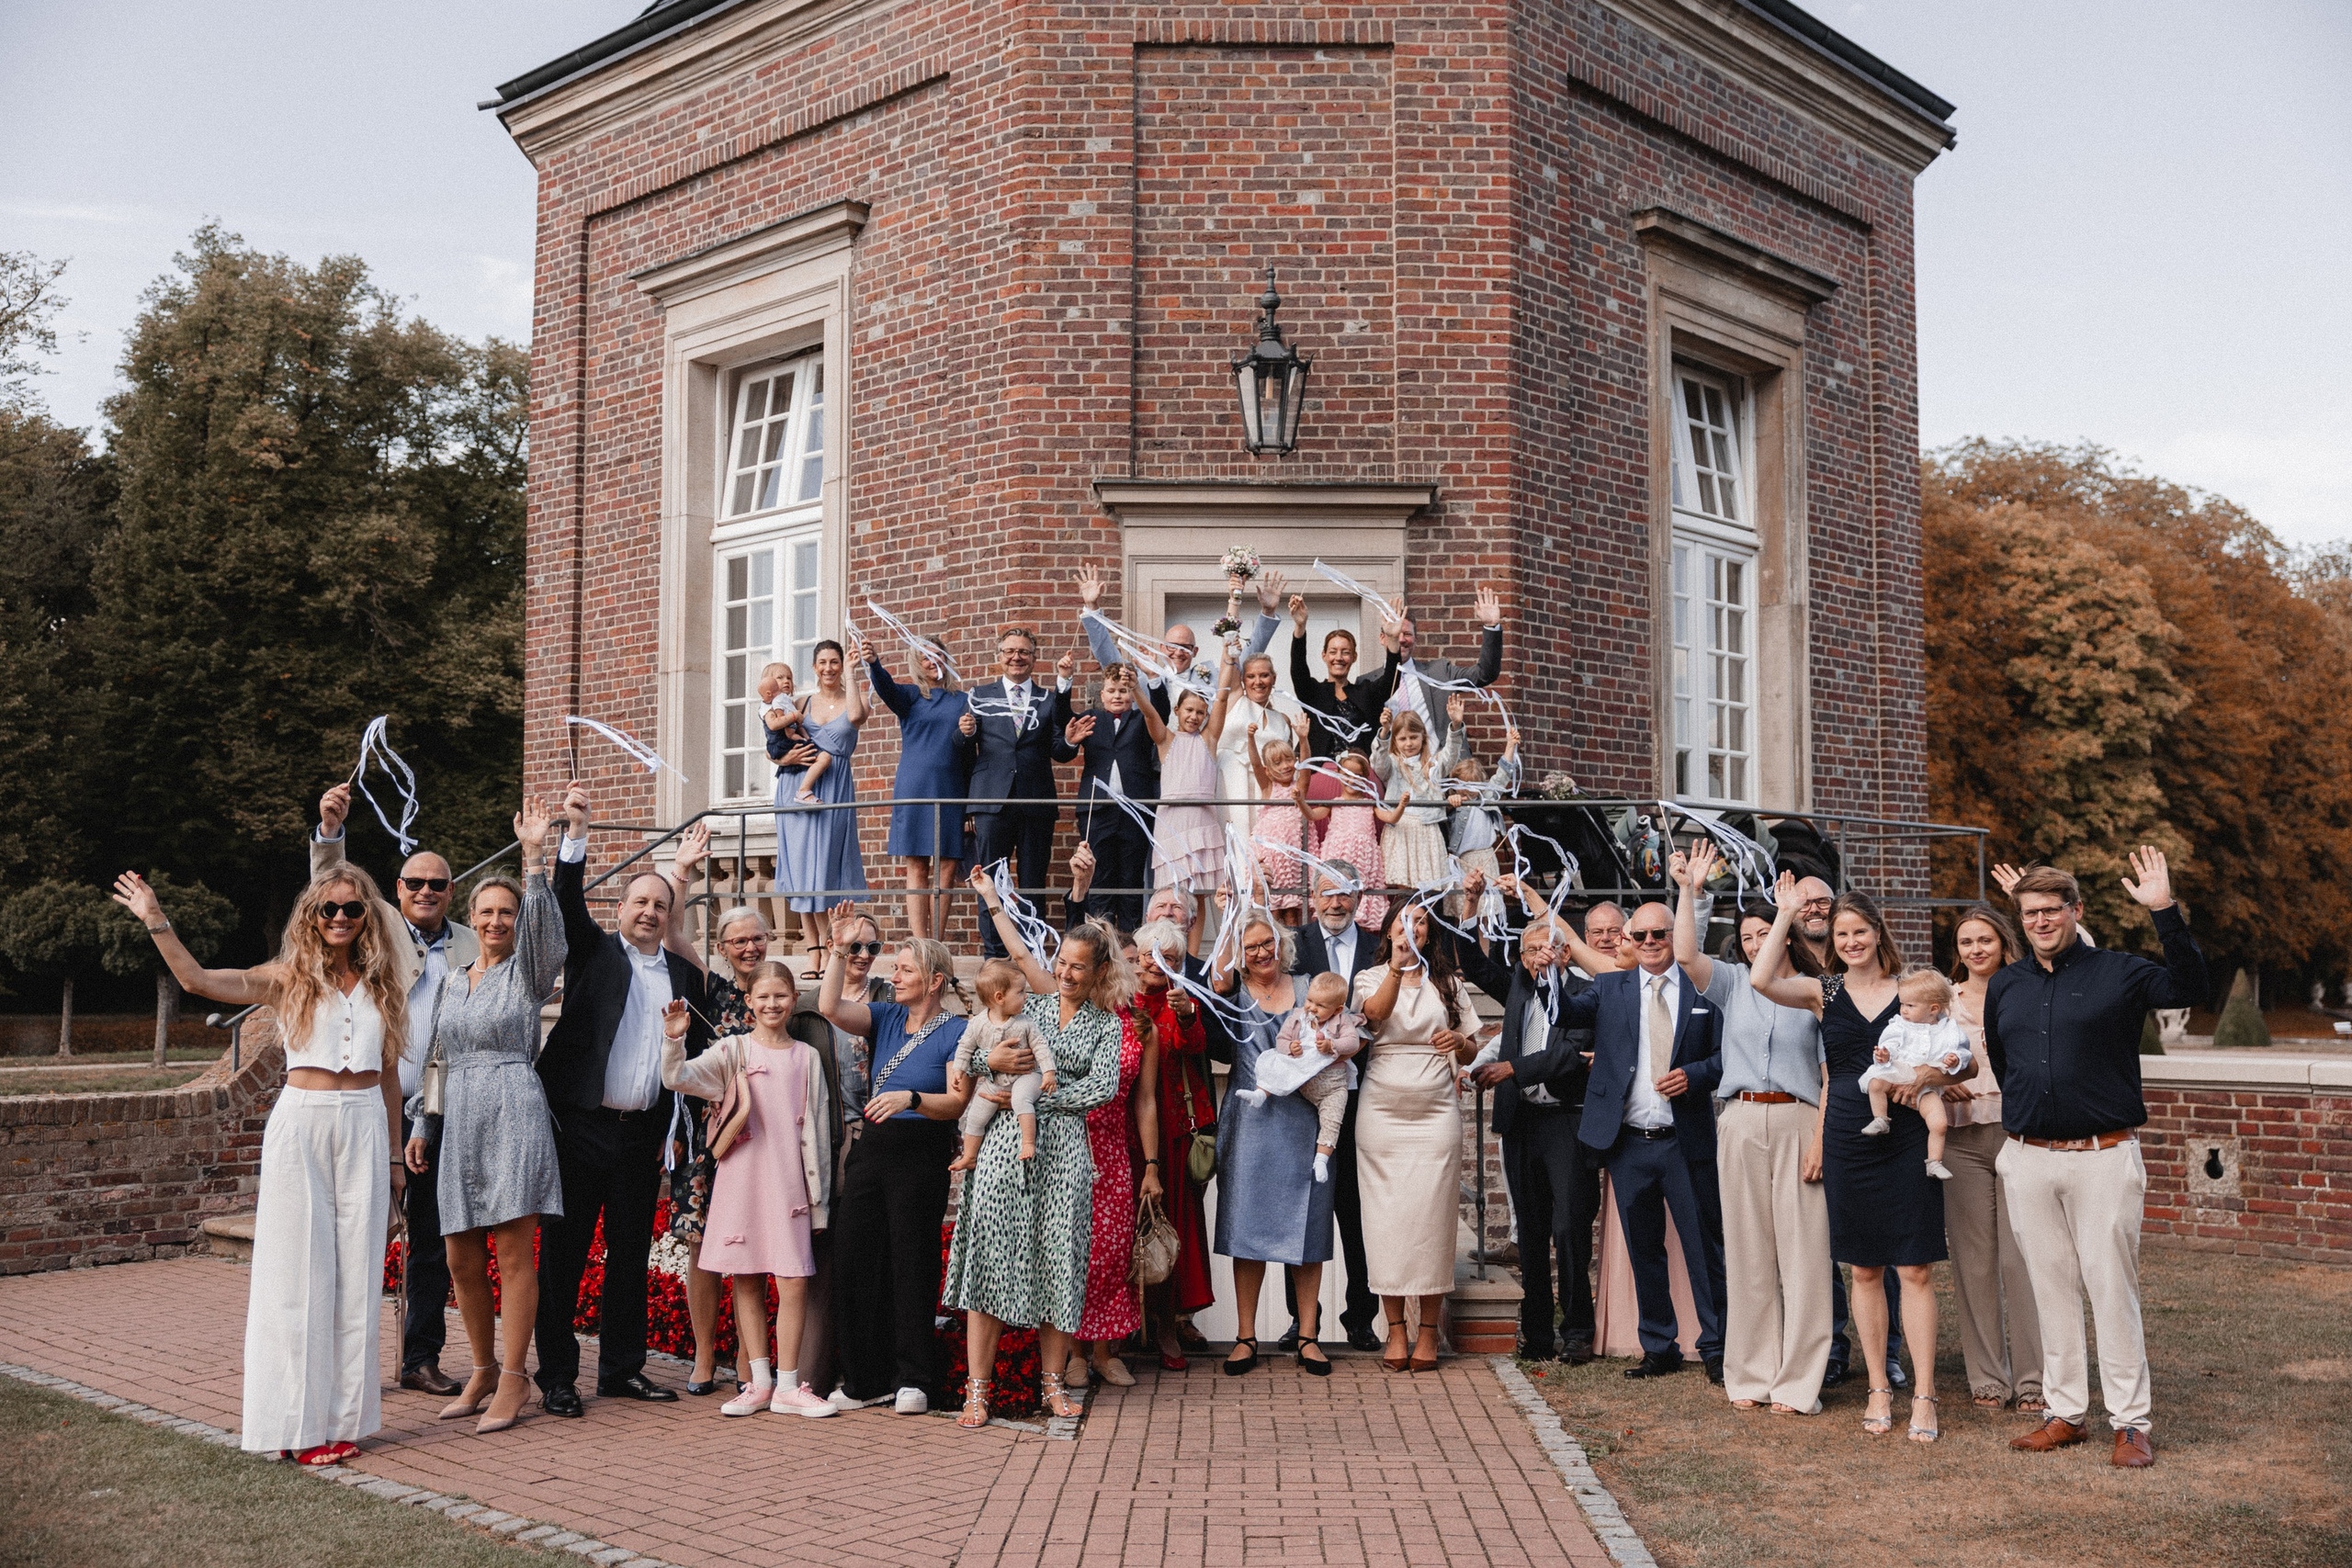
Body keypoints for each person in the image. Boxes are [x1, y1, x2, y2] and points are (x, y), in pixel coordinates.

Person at [112, 863, 410, 1466]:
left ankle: (343, 1418)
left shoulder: (381, 984)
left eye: (353, 909)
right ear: (312, 916)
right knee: (298, 1275)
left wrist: (397, 1159)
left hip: (365, 1128)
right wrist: (156, 920)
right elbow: (196, 980)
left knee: (356, 1281)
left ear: (367, 917)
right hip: (303, 1125)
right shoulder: (287, 978)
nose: (341, 918)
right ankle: (296, 1425)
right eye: (329, 909)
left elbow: (392, 1079)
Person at [1990, 852, 2203, 1469]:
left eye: (2051, 910)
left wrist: (2164, 909)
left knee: (2111, 1287)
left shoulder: (2121, 972)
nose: (2040, 921)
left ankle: (2131, 1422)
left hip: (2103, 1155)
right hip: (2029, 1158)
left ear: (2075, 911)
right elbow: (2008, 1065)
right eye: (2030, 912)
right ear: (2022, 919)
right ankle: (2065, 1414)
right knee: (2049, 1285)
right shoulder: (2008, 984)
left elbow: (2189, 987)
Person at [1490, 898, 1726, 1383]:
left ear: (1674, 937)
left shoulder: (1705, 985)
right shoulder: (1611, 986)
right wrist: (1551, 974)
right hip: (1629, 1143)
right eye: (1639, 937)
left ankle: (1718, 1348)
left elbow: (1728, 1053)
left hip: (1684, 1139)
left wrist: (1698, 1074)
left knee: (1703, 1248)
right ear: (1628, 942)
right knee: (1645, 1250)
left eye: (1659, 935)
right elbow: (1562, 1013)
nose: (1649, 944)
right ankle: (1658, 1346)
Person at [533, 784, 708, 1417]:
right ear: (622, 908)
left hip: (642, 1134)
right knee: (564, 1255)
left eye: (660, 905)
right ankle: (555, 1375)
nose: (650, 912)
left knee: (630, 1254)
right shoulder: (593, 952)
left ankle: (621, 1369)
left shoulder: (683, 976)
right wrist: (574, 832)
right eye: (640, 901)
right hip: (580, 1126)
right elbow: (564, 902)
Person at [1751, 874, 1942, 1440]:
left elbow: (1961, 1053)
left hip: (1906, 1136)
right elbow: (1761, 978)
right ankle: (1879, 1389)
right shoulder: (1823, 991)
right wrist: (1785, 914)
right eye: (1841, 934)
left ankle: (1925, 1397)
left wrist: (1934, 1074)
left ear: (1878, 932)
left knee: (1915, 1268)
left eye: (1861, 931)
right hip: (1846, 1138)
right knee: (1863, 1268)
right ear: (1831, 941)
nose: (1852, 941)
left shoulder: (1912, 987)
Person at [400, 800, 568, 1436]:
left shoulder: (527, 973)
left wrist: (532, 861)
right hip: (457, 1115)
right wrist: (422, 1122)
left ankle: (518, 1376)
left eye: (506, 912)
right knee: (459, 1252)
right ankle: (482, 1366)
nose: (496, 920)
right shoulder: (450, 980)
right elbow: (437, 1056)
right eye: (486, 911)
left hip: (513, 1106)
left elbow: (549, 940)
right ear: (470, 919)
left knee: (512, 1248)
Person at [310, 781, 481, 1400]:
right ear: (399, 890)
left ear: (451, 890)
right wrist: (331, 833)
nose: (426, 891)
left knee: (431, 1244)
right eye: (415, 883)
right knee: (350, 1235)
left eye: (438, 884)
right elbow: (329, 891)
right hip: (362, 1104)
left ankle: (420, 1357)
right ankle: (335, 1360)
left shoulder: (470, 941)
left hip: (434, 1107)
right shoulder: (371, 925)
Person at [952, 882, 1134, 1422]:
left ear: (1099, 971)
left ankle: (1053, 1388)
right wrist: (994, 1070)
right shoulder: (1026, 1006)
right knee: (990, 1261)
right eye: (1062, 962)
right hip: (1005, 1148)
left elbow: (1102, 1088)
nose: (1066, 973)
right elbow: (978, 1055)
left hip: (1066, 1157)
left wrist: (1038, 1099)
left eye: (1079, 966)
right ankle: (976, 1393)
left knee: (1059, 1267)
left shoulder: (1108, 1025)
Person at [1668, 842, 1830, 1415]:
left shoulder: (1820, 990)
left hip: (1798, 1120)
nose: (1755, 943)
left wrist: (1819, 1140)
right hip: (1737, 1121)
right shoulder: (1733, 983)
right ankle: (1751, 1374)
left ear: (1785, 932)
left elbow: (1834, 1072)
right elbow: (1685, 954)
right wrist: (1689, 889)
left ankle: (1799, 1382)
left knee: (1805, 1256)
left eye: (1766, 932)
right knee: (1748, 1252)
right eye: (1749, 937)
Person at [659, 963, 837, 1417]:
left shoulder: (806, 1057)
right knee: (748, 1278)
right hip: (741, 1180)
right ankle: (759, 1382)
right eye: (764, 997)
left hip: (790, 1181)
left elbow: (816, 1129)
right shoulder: (732, 1050)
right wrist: (674, 1039)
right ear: (750, 1002)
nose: (773, 1004)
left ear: (793, 1000)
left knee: (794, 1280)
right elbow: (677, 1079)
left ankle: (789, 1385)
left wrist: (818, 1203)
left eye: (781, 996)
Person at [818, 936, 973, 1415]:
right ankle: (865, 1379)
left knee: (912, 1260)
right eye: (898, 968)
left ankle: (914, 1379)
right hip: (873, 1147)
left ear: (934, 981)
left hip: (920, 1148)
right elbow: (829, 1006)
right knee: (855, 1257)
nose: (896, 976)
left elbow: (958, 1100)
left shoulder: (957, 1029)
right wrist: (840, 951)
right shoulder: (885, 1017)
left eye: (906, 970)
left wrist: (912, 1100)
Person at [1461, 903, 1603, 1366]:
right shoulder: (1519, 988)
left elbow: (1567, 1055)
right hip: (1522, 1123)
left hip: (1565, 1121)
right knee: (1534, 1231)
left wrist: (1511, 1068)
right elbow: (1475, 963)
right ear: (1522, 958)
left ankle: (1578, 1329)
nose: (1541, 956)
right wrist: (1469, 909)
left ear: (1566, 953)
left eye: (1550, 948)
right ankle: (1538, 1333)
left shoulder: (1586, 993)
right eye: (1532, 950)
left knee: (1570, 1229)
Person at [1352, 901, 1481, 1371]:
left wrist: (1458, 1044)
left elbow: (1472, 1046)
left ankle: (1428, 1332)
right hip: (1382, 1110)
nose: (1413, 927)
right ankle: (1396, 1332)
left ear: (1430, 931)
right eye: (1403, 920)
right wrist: (1396, 965)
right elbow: (1373, 1017)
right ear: (1389, 931)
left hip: (1436, 1111)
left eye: (1421, 919)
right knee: (1385, 1223)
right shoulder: (1370, 978)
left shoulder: (1448, 984)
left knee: (1432, 1220)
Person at [1212, 914, 1334, 1376]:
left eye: (1268, 943)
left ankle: (1307, 1336)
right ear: (1239, 958)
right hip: (1251, 1123)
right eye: (1251, 948)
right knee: (1247, 1228)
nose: (1262, 952)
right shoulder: (1232, 996)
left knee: (1309, 1230)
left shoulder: (1311, 987)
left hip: (1307, 1121)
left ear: (1281, 943)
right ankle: (1246, 1337)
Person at [1943, 903, 2045, 1415]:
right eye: (1966, 942)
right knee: (1974, 1263)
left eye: (1985, 940)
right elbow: (1909, 1053)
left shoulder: (2026, 988)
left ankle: (2034, 1381)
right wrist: (1938, 1082)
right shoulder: (1943, 999)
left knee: (2020, 1259)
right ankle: (1987, 1379)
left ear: (2004, 943)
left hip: (2017, 1136)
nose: (1975, 949)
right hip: (1960, 1142)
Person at [1286, 866, 1384, 1352]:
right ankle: (1298, 1320)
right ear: (1314, 897)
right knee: (1302, 1206)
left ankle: (1361, 1316)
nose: (1336, 904)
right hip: (1306, 1098)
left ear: (1359, 897)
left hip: (1361, 1094)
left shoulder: (1377, 946)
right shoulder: (1294, 945)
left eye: (1345, 895)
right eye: (1327, 894)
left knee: (1356, 1208)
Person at [1069, 937, 1163, 1391]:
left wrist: (1151, 1165)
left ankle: (1105, 1353)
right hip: (1064, 1145)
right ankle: (1071, 1354)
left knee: (1108, 1254)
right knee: (1068, 1251)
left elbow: (1145, 1102)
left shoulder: (1142, 1026)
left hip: (1112, 1150)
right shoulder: (1068, 1015)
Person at [1130, 919, 1214, 1368]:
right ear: (1138, 957)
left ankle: (1167, 1324)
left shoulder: (1186, 1000)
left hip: (1174, 1127)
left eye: (1172, 957)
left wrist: (1185, 1015)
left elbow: (1193, 1047)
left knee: (1171, 1228)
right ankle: (1125, 1325)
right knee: (1125, 1228)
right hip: (1125, 1129)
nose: (1160, 963)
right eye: (1152, 954)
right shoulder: (1122, 1001)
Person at [1075, 562, 1285, 719]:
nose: (1177, 652)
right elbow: (1107, 656)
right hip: (1155, 765)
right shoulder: (1143, 678)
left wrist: (1267, 612)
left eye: (1185, 647)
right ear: (1161, 647)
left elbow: (1245, 661)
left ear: (1195, 652)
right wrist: (1092, 609)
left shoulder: (1211, 678)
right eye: (1171, 646)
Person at [961, 626, 1060, 958]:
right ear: (999, 656)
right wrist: (964, 734)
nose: (1016, 657)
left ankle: (1034, 954)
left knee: (1033, 881)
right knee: (989, 882)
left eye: (1024, 652)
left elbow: (1060, 748)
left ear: (1034, 658)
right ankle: (994, 955)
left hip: (1036, 802)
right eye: (1010, 651)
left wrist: (1072, 740)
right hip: (991, 802)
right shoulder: (979, 695)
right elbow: (963, 749)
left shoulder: (1049, 700)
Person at [865, 635, 971, 942]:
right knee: (917, 864)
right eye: (926, 657)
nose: (933, 661)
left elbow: (970, 750)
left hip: (952, 786)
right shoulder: (911, 697)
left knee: (948, 866)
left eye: (938, 655)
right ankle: (920, 941)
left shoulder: (963, 699)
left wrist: (971, 731)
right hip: (915, 786)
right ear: (917, 663)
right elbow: (885, 688)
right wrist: (874, 663)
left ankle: (935, 942)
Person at [775, 637, 870, 970]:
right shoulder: (800, 703)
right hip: (796, 790)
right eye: (823, 663)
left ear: (842, 665)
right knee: (803, 872)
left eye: (835, 662)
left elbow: (857, 717)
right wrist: (785, 759)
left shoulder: (853, 698)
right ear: (814, 668)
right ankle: (812, 951)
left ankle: (831, 949)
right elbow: (772, 745)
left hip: (835, 790)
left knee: (827, 870)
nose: (829, 668)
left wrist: (855, 674)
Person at [1053, 661, 1159, 932]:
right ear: (1102, 694)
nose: (1117, 696)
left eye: (1124, 690)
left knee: (1131, 878)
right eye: (1111, 690)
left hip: (1134, 810)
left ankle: (1130, 941)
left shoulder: (1141, 720)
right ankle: (1102, 938)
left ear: (1133, 693)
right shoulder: (1091, 719)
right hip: (1097, 810)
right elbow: (1063, 722)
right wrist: (1065, 680)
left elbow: (1162, 713)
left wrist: (1153, 680)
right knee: (1099, 876)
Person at [1238, 972, 1363, 1180]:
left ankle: (1321, 1159)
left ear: (1337, 1009)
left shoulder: (1342, 1021)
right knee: (1275, 1060)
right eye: (1310, 1000)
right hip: (1302, 1077)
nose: (1312, 1008)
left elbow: (1353, 1042)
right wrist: (1290, 1047)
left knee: (1332, 1120)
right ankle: (1261, 1093)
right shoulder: (1298, 1017)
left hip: (1332, 1087)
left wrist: (1333, 1045)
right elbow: (1280, 1041)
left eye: (1321, 1006)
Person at [1145, 640, 1237, 924]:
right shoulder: (1166, 740)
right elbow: (1149, 712)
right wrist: (1138, 686)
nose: (1194, 717)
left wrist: (1227, 657)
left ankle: (1193, 960)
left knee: (1196, 899)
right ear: (1176, 710)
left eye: (1200, 712)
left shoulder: (1208, 740)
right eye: (1189, 710)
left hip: (1201, 822)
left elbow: (1221, 697)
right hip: (1172, 823)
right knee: (1172, 894)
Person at [1861, 969, 1972, 1179]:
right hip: (1898, 1071)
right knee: (1876, 1083)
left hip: (1928, 1084)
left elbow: (1963, 1051)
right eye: (1902, 1004)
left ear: (1933, 1009)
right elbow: (1890, 1043)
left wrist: (1955, 1058)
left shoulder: (1949, 1029)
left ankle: (1934, 1162)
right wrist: (1884, 1054)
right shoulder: (1900, 1024)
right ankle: (1881, 1119)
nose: (1903, 1010)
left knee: (1939, 1122)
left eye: (1910, 1005)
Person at [952, 960, 1055, 1168]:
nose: (1026, 996)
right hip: (996, 1081)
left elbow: (1041, 1047)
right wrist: (958, 1069)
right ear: (999, 997)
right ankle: (970, 1156)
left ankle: (1028, 1142)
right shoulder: (978, 1024)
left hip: (1027, 1077)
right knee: (975, 1115)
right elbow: (965, 1047)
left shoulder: (1025, 1022)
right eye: (1020, 992)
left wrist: (1049, 1072)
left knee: (1021, 1099)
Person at [1383, 587, 1504, 750]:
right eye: (1396, 633)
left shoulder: (1439, 673)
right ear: (1383, 638)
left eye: (1407, 634)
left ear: (1416, 639)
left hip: (1438, 768)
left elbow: (1484, 674)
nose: (1402, 639)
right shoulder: (1369, 682)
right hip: (1392, 770)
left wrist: (1491, 627)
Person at [1285, 592, 1400, 759]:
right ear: (1324, 655)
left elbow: (1392, 678)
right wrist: (1300, 627)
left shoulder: (1366, 692)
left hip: (1360, 774)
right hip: (1322, 772)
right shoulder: (1313, 693)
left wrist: (1393, 639)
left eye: (1345, 652)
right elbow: (1298, 669)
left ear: (1354, 657)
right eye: (1333, 652)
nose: (1339, 657)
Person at [1371, 706, 1464, 894]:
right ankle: (1402, 921)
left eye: (1413, 737)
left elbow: (1450, 756)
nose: (1408, 743)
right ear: (1395, 741)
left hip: (1426, 829)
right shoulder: (1392, 764)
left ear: (1423, 737)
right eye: (1402, 739)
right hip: (1400, 828)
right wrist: (1385, 731)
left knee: (1427, 888)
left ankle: (1423, 922)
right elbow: (1378, 763)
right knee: (1402, 888)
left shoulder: (1433, 765)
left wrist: (1455, 725)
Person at [1302, 750, 1385, 934]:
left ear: (1365, 779)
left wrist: (1401, 806)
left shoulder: (1369, 804)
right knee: (1336, 895)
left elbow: (1391, 817)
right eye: (1347, 775)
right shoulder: (1335, 803)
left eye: (1357, 776)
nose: (1351, 780)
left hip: (1363, 862)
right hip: (1338, 857)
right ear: (1338, 775)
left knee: (1360, 899)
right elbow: (1312, 814)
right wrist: (1301, 802)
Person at [1247, 710, 1314, 921]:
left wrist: (1303, 739)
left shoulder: (1298, 787)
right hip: (1272, 857)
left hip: (1293, 859)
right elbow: (1256, 764)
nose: (1286, 766)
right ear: (1268, 770)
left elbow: (1306, 767)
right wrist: (1250, 738)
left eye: (1288, 760)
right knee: (1272, 911)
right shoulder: (1268, 787)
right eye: (1278, 763)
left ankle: (1294, 954)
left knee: (1293, 913)